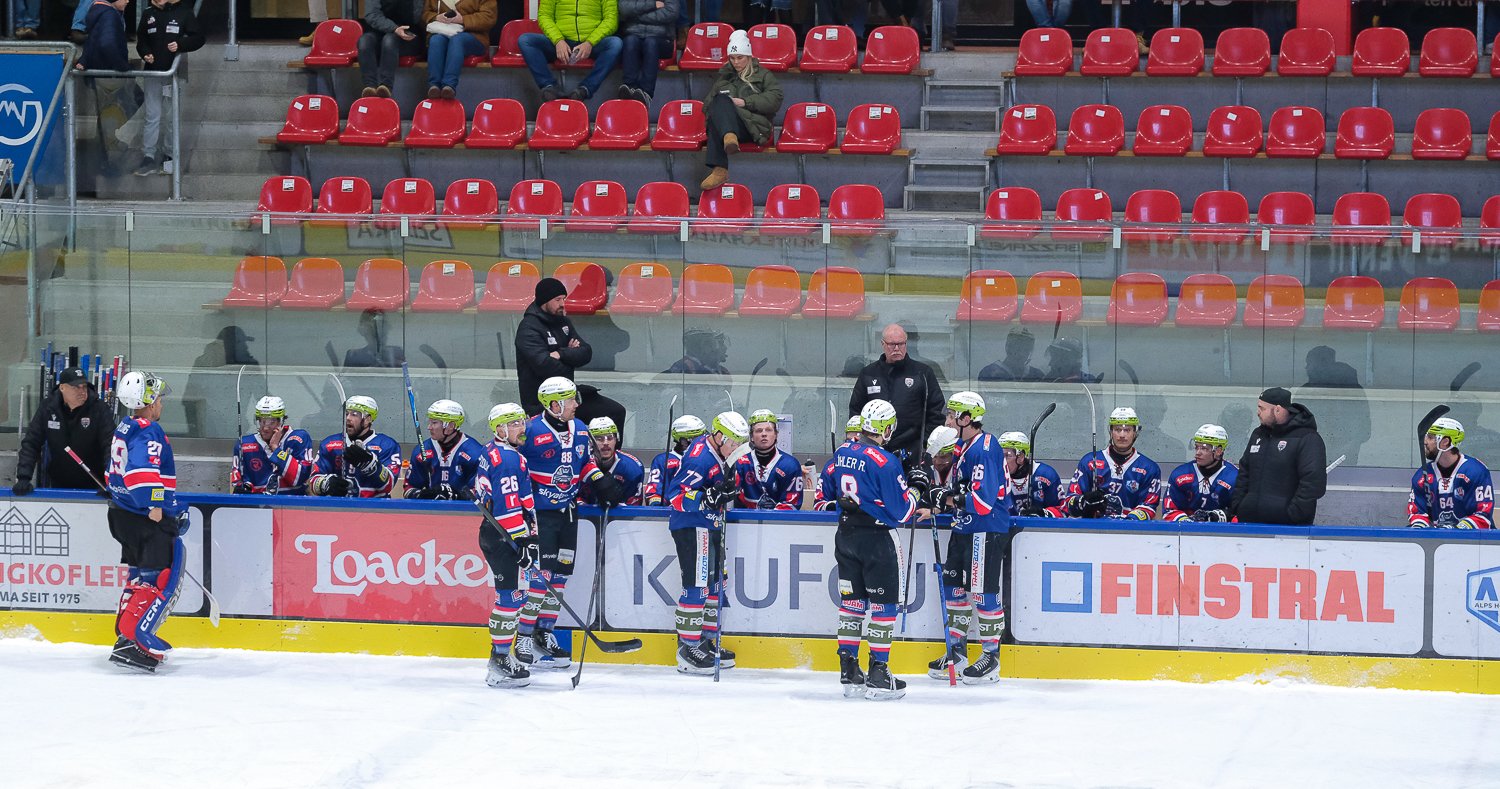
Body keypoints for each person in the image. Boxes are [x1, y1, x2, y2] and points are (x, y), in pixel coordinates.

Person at [514, 377, 626, 669]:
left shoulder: (582, 429)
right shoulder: (530, 430)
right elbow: (515, 465)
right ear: (554, 404)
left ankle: (544, 633)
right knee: (541, 578)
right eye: (571, 400)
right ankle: (523, 636)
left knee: (560, 576)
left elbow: (585, 462)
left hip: (569, 514)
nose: (577, 404)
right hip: (541, 516)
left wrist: (600, 480)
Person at [829, 399, 923, 700]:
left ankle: (849, 670)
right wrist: (916, 489)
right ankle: (879, 673)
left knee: (852, 604)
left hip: (846, 535)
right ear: (886, 428)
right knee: (884, 608)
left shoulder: (843, 452)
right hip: (878, 539)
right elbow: (902, 512)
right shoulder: (887, 461)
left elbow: (833, 486)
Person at [923, 392, 1009, 685]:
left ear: (967, 418)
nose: (947, 421)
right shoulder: (963, 446)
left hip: (984, 530)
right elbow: (959, 488)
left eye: (952, 415)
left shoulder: (983, 449)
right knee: (954, 591)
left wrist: (946, 499)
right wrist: (937, 503)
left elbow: (983, 502)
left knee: (983, 594)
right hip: (963, 529)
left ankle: (991, 658)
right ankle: (957, 652)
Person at [105, 371, 188, 673]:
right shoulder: (148, 430)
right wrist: (155, 504)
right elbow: (140, 473)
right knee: (156, 578)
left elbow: (114, 473)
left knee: (138, 576)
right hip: (143, 518)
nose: (161, 404)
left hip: (122, 514)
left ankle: (124, 635)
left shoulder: (124, 426)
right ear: (150, 402)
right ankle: (134, 642)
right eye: (159, 399)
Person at [667, 411, 748, 675]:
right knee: (697, 586)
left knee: (716, 585)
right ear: (720, 436)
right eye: (734, 442)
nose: (736, 448)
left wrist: (728, 490)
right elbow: (675, 496)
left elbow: (724, 487)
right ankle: (687, 649)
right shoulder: (699, 457)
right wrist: (706, 498)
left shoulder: (722, 454)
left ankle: (705, 642)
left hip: (711, 525)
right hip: (693, 527)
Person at [474, 402, 537, 688]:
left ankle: (500, 657)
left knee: (515, 596)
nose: (521, 428)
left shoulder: (492, 451)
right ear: (499, 429)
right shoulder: (509, 459)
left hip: (500, 532)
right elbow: (509, 506)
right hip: (505, 535)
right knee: (510, 598)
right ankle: (499, 660)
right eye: (514, 424)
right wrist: (523, 540)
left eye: (522, 422)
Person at [515, 277, 629, 430]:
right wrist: (571, 357)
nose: (562, 304)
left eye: (564, 298)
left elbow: (586, 352)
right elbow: (546, 367)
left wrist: (561, 354)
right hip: (543, 404)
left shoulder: (562, 321)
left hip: (569, 397)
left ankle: (605, 447)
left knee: (615, 412)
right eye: (557, 300)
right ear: (544, 301)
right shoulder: (528, 328)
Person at [1227, 387, 1327, 526]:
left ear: (1278, 410)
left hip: (1289, 526)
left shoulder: (1307, 438)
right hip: (1249, 521)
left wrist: (1294, 514)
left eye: (1262, 408)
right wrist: (1240, 505)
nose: (1258, 412)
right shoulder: (1258, 435)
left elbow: (1313, 481)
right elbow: (1245, 472)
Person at [848, 323, 945, 463]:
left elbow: (936, 411)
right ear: (883, 344)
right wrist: (862, 442)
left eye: (901, 344)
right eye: (892, 344)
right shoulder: (868, 374)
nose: (897, 348)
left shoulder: (922, 373)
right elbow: (856, 411)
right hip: (873, 450)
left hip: (913, 452)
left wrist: (924, 445)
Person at [699, 29, 783, 190]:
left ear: (749, 56)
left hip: (753, 128)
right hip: (730, 127)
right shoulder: (724, 78)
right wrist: (726, 107)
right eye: (732, 58)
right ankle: (727, 140)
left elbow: (775, 99)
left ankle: (720, 167)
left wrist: (745, 102)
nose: (736, 62)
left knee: (721, 107)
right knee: (719, 101)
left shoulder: (763, 75)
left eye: (740, 57)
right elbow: (707, 105)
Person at [13, 367, 115, 495]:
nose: (82, 391)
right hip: (58, 484)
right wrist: (24, 477)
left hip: (96, 485)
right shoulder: (48, 408)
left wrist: (111, 482)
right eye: (76, 387)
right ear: (62, 388)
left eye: (84, 387)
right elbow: (31, 443)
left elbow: (111, 446)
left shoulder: (99, 409)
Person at [131, 0, 203, 176]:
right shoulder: (148, 13)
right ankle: (148, 157)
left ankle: (169, 156)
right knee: (152, 115)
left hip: (174, 74)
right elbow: (141, 41)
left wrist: (181, 44)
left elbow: (199, 38)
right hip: (153, 73)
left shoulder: (184, 13)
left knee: (171, 116)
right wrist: (145, 53)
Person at [1055, 407, 1162, 520]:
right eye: (1117, 429)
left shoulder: (1149, 469)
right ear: (1110, 431)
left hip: (1130, 529)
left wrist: (1127, 522)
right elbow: (1070, 502)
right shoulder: (1090, 462)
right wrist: (1083, 502)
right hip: (1093, 528)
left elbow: (1149, 507)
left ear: (1135, 432)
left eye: (1127, 430)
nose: (1122, 435)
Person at [519, 0, 623, 103]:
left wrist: (590, 42)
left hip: (592, 43)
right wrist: (558, 40)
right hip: (561, 42)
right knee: (525, 40)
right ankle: (549, 86)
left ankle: (585, 89)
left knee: (615, 43)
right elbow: (544, 16)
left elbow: (611, 20)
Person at [1408, 417, 1494, 530]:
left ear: (1445, 442)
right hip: (1436, 539)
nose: (1425, 441)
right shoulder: (1422, 475)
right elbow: (1417, 513)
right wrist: (1422, 530)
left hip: (1473, 539)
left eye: (1430, 437)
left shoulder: (1475, 471)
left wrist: (1454, 532)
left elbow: (1482, 515)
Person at [308, 396, 402, 498]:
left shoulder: (387, 445)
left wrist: (370, 464)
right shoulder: (330, 444)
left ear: (368, 419)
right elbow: (313, 480)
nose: (348, 418)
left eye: (354, 414)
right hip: (338, 506)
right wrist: (326, 484)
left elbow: (389, 485)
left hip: (374, 506)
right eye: (346, 413)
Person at [231, 396, 314, 495]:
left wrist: (275, 448)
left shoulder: (298, 438)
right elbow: (236, 483)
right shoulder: (244, 444)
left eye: (272, 422)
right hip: (258, 502)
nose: (265, 428)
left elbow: (298, 478)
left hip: (292, 501)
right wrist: (241, 489)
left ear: (281, 421)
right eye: (262, 421)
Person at [404, 400, 485, 500]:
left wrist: (456, 496)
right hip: (431, 509)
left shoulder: (475, 453)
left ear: (451, 425)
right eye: (429, 422)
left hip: (463, 510)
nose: (429, 427)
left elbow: (481, 494)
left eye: (434, 423)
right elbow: (408, 489)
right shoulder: (422, 450)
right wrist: (423, 494)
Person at [421, 0, 496, 99]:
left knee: (457, 40)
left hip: (475, 36)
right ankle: (434, 86)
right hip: (443, 32)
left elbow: (489, 17)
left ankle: (449, 85)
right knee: (436, 40)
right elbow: (425, 14)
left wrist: (462, 20)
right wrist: (436, 17)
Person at [1163, 425, 1238, 522]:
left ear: (1218, 451)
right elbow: (1169, 510)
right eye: (1196, 447)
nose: (1198, 453)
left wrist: (1221, 517)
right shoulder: (1180, 475)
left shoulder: (1235, 478)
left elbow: (1241, 515)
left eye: (1204, 448)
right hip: (1185, 530)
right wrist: (1189, 524)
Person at [734, 409, 804, 510]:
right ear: (751, 436)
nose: (764, 434)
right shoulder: (740, 462)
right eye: (759, 430)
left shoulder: (790, 465)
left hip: (779, 520)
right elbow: (732, 498)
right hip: (745, 519)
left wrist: (769, 516)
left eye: (768, 430)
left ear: (776, 434)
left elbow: (791, 504)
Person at [358, 0, 424, 98]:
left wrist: (398, 29)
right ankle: (370, 87)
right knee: (364, 41)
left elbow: (416, 16)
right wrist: (394, 28)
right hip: (378, 31)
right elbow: (371, 14)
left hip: (406, 34)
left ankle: (385, 87)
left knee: (389, 40)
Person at [616, 0, 677, 104]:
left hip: (662, 38)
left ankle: (646, 93)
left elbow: (671, 12)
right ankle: (629, 88)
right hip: (634, 34)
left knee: (650, 43)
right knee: (630, 41)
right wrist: (653, 5)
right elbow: (624, 9)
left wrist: (636, 15)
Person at [580, 417, 645, 506]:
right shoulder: (580, 463)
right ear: (590, 442)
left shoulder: (633, 468)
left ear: (616, 439)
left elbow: (633, 509)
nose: (606, 443)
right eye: (599, 438)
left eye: (610, 438)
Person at [644, 415, 706, 506]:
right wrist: (658, 507)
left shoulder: (707, 459)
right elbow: (654, 493)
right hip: (673, 512)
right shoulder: (664, 461)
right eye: (697, 438)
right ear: (683, 441)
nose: (703, 441)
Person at [998, 431, 1061, 518]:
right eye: (999, 455)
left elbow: (1062, 510)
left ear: (1021, 457)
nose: (1002, 461)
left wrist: (1042, 513)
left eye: (1007, 455)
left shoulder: (1046, 475)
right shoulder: (996, 477)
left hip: (1040, 527)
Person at [813, 415, 864, 511]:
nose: (850, 445)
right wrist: (836, 505)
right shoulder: (832, 466)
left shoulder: (875, 465)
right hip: (841, 519)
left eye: (856, 441)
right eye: (848, 441)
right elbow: (818, 504)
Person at [77, 0, 130, 71]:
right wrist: (122, 65)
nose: (127, 1)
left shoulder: (99, 12)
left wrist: (84, 60)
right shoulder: (110, 15)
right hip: (108, 70)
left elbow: (92, 39)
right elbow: (107, 44)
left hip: (95, 68)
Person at [978, 328, 1044, 382]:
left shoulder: (1037, 375)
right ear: (1008, 347)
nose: (1021, 354)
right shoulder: (989, 373)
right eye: (1017, 348)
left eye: (1026, 349)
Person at [663, 328, 730, 375]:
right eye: (720, 343)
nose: (725, 348)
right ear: (703, 347)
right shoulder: (684, 367)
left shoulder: (722, 371)